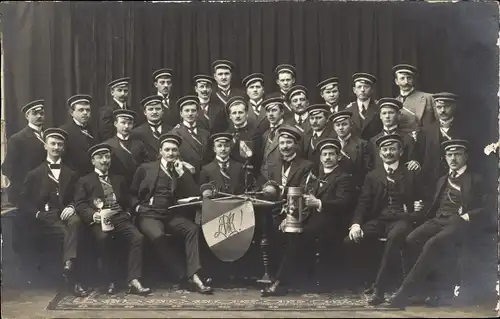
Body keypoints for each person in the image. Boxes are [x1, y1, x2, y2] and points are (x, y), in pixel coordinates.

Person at [387, 139, 488, 309]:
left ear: (466, 156)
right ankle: (421, 291)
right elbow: (433, 205)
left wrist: (468, 216)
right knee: (411, 239)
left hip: (460, 222)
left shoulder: (476, 179)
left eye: (457, 154)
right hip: (438, 220)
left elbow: (488, 207)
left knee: (432, 244)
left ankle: (403, 294)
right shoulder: (442, 179)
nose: (453, 158)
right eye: (449, 155)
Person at [262, 138, 353, 296]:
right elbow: (303, 201)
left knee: (300, 236)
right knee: (286, 232)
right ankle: (291, 280)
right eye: (324, 154)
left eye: (332, 154)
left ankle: (280, 282)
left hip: (334, 223)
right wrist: (289, 219)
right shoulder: (315, 176)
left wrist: (319, 203)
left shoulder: (343, 177)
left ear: (339, 157)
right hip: (314, 221)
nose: (328, 158)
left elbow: (344, 203)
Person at [345, 134, 425, 305]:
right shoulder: (373, 176)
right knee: (349, 241)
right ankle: (366, 280)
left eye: (392, 149)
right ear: (380, 154)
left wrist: (415, 212)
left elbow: (422, 202)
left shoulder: (411, 174)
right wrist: (356, 224)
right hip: (380, 220)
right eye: (385, 150)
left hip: (402, 220)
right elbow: (363, 203)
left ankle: (379, 290)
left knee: (394, 239)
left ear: (400, 152)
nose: (389, 153)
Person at [130, 134, 213, 294]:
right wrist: (137, 207)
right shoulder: (146, 168)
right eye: (167, 150)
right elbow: (131, 192)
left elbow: (195, 193)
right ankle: (184, 276)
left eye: (174, 150)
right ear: (160, 151)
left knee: (191, 229)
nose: (171, 153)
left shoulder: (181, 170)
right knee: (159, 237)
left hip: (170, 214)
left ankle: (194, 274)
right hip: (149, 214)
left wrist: (182, 174)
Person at [74, 143, 150, 296]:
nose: (104, 161)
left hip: (120, 217)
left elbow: (128, 197)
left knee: (138, 237)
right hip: (99, 220)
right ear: (93, 161)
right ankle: (111, 280)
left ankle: (133, 280)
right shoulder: (85, 181)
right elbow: (80, 203)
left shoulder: (118, 179)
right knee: (104, 238)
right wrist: (92, 215)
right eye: (100, 157)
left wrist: (131, 210)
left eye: (107, 157)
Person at [19, 128, 88, 297]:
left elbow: (78, 196)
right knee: (70, 232)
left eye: (60, 144)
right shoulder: (34, 174)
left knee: (75, 222)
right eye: (53, 144)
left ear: (64, 147)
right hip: (46, 219)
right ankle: (74, 277)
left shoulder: (72, 173)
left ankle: (68, 265)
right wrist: (37, 214)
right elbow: (23, 201)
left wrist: (72, 206)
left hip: (65, 214)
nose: (56, 147)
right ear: (45, 146)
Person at [417, 93, 468, 195]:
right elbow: (419, 155)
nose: (442, 110)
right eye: (439, 107)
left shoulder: (465, 130)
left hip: (458, 183)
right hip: (432, 183)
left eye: (446, 106)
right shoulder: (426, 131)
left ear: (454, 107)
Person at [2, 99, 47, 206]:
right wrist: (23, 185)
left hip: (47, 189)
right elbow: (7, 167)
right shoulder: (17, 139)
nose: (39, 116)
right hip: (27, 192)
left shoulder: (49, 136)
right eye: (34, 113)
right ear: (27, 116)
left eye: (41, 113)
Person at [368, 98, 420, 171]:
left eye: (391, 113)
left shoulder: (407, 139)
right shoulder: (373, 141)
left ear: (398, 115)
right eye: (384, 113)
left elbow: (411, 164)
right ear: (380, 116)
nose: (387, 116)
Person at [329, 111, 372, 193]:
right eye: (338, 125)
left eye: (344, 124)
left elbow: (367, 170)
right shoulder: (330, 145)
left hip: (355, 189)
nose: (341, 128)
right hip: (333, 189)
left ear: (350, 126)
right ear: (334, 128)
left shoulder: (362, 144)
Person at [169, 96, 211, 177]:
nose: (190, 113)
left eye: (193, 110)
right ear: (181, 113)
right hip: (186, 176)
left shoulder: (206, 134)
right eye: (187, 111)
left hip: (206, 177)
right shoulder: (174, 134)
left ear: (198, 113)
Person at [104, 109, 149, 185]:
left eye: (130, 123)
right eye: (123, 123)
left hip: (136, 184)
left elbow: (146, 166)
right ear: (115, 123)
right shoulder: (108, 144)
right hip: (117, 185)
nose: (126, 126)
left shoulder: (139, 144)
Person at [224, 95, 262, 181]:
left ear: (247, 114)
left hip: (247, 177)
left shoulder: (254, 134)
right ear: (230, 116)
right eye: (234, 113)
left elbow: (256, 160)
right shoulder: (226, 134)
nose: (237, 116)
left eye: (240, 112)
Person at [393, 64, 436, 135]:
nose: (406, 82)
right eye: (402, 78)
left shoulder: (428, 98)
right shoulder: (394, 103)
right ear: (396, 81)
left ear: (413, 80)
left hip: (426, 140)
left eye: (409, 78)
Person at [60, 94, 97, 176]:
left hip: (92, 178)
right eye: (81, 110)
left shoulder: (95, 130)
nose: (85, 113)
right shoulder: (64, 131)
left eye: (88, 110)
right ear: (71, 112)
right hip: (73, 178)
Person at [130, 95, 172, 162]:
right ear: (145, 112)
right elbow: (136, 159)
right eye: (151, 109)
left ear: (163, 111)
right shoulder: (136, 133)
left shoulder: (171, 131)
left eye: (158, 109)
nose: (154, 112)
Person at [346, 73, 382, 140]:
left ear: (372, 89)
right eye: (359, 87)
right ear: (354, 90)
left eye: (366, 87)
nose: (362, 90)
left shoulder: (379, 109)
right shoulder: (348, 110)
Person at [260, 97, 287, 178]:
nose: (270, 114)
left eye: (274, 110)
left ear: (282, 112)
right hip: (265, 179)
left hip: (282, 177)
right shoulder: (265, 135)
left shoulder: (289, 131)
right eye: (268, 111)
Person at [98, 77, 131, 141]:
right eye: (119, 90)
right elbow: (105, 135)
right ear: (112, 92)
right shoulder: (106, 111)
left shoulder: (130, 109)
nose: (123, 93)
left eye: (125, 91)